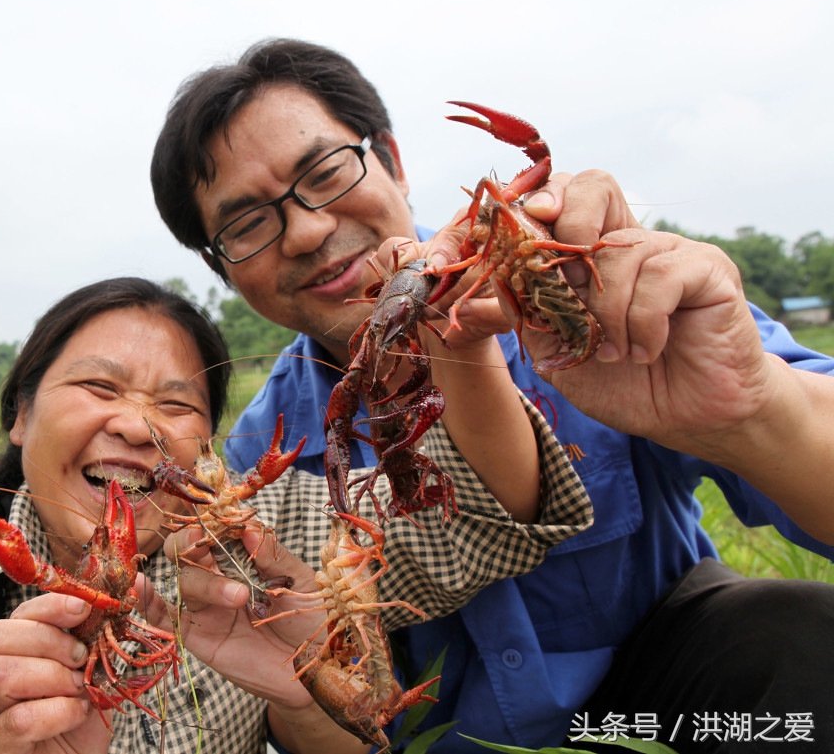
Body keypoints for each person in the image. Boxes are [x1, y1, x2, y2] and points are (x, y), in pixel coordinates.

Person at [151, 38, 834, 753]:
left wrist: (754, 410)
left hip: (670, 688)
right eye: (247, 223)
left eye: (325, 171)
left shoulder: (587, 290)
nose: (309, 229)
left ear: (393, 162)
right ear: (219, 267)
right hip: (444, 739)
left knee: (800, 631)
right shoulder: (264, 455)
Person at [0, 277, 593, 754]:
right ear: (21, 416)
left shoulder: (263, 530)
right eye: (99, 387)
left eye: (175, 403)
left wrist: (308, 696)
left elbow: (489, 522)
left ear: (207, 443)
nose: (137, 424)